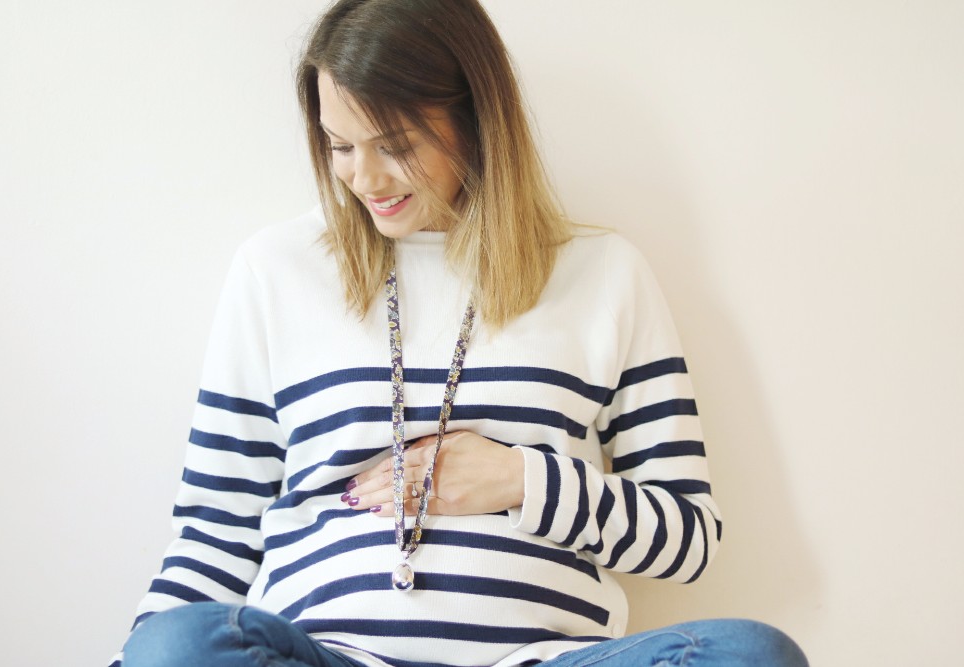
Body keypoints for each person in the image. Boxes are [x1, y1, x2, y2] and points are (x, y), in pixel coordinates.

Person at [113, 1, 807, 665]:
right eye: (340, 146)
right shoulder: (275, 270)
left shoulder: (605, 273)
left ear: (476, 119)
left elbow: (688, 536)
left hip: (541, 658)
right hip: (328, 654)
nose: (364, 177)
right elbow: (216, 529)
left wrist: (520, 478)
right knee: (175, 647)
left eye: (395, 146)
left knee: (753, 654)